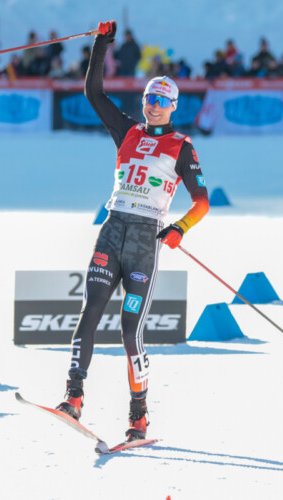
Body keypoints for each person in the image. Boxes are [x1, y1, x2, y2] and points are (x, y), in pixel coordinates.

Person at [55, 21, 209, 442]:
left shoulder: (182, 146)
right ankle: (73, 396)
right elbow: (94, 94)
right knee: (90, 310)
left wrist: (180, 228)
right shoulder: (127, 131)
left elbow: (202, 202)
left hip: (145, 241)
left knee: (129, 330)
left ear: (174, 106)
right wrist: (102, 45)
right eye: (149, 99)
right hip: (113, 228)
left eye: (162, 100)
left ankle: (138, 416)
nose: (154, 106)